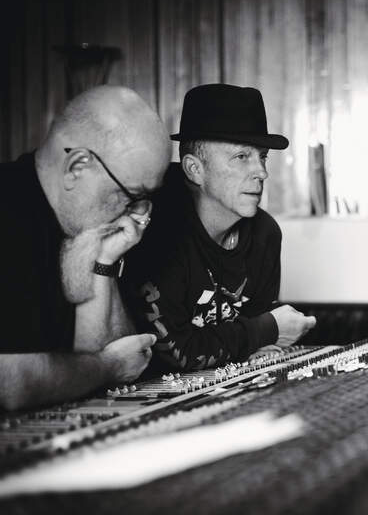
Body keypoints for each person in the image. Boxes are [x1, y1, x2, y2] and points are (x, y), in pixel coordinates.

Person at [0, 86, 171, 433]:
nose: (136, 213)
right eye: (132, 195)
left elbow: (106, 362)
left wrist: (104, 261)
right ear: (77, 166)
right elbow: (12, 385)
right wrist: (108, 367)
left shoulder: (81, 219)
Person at [128, 84, 315, 371]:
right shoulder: (158, 229)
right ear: (194, 169)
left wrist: (264, 345)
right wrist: (265, 329)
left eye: (262, 156)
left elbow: (257, 342)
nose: (262, 172)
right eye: (242, 157)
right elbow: (174, 353)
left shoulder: (265, 234)